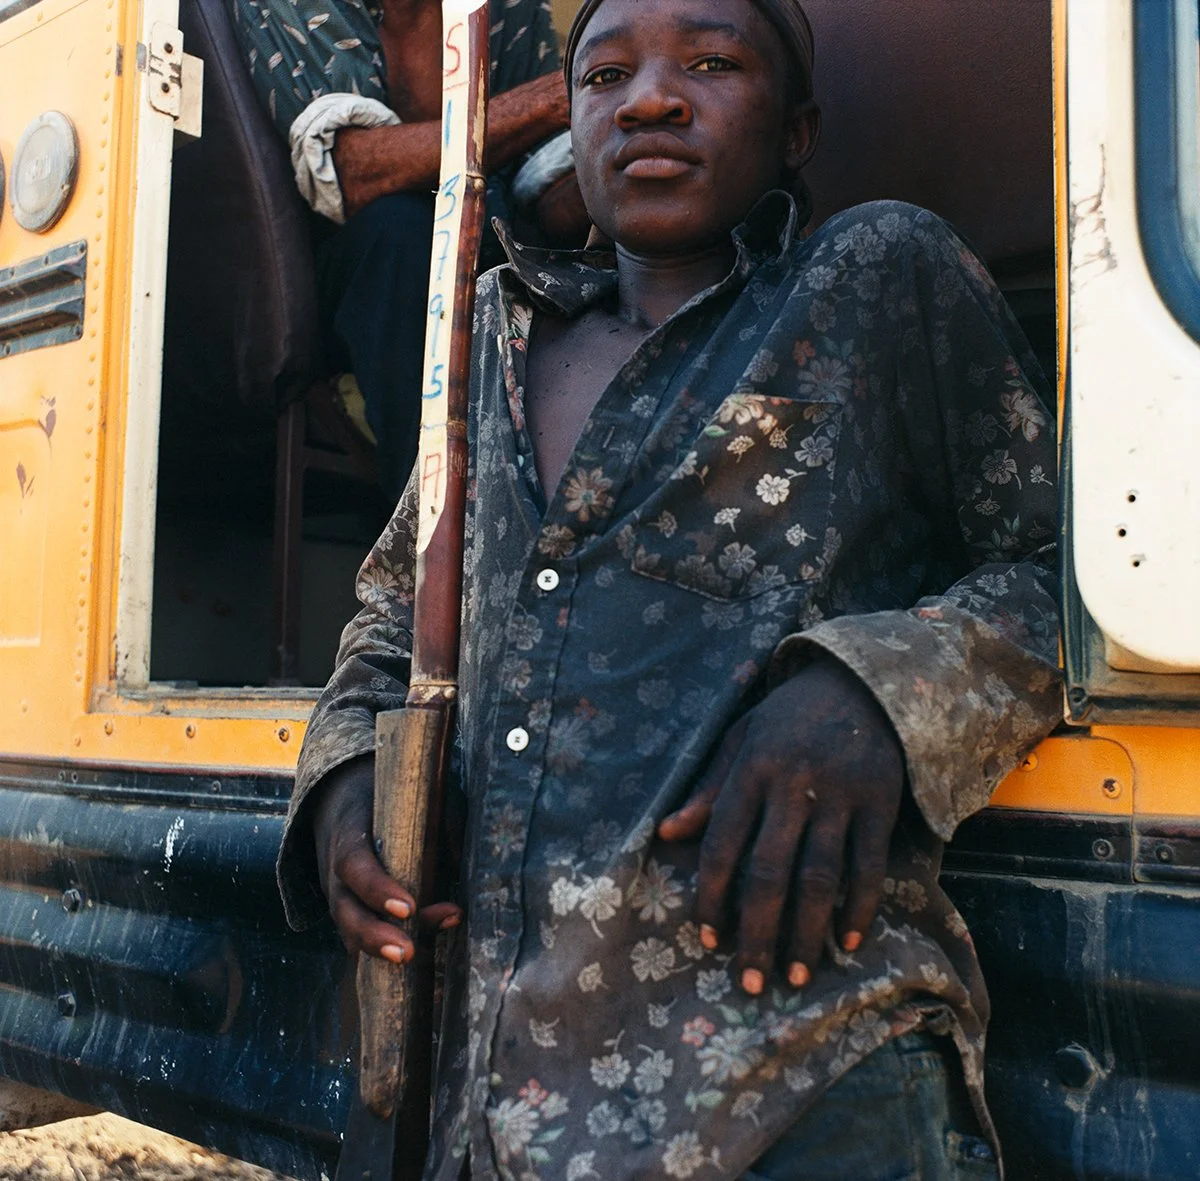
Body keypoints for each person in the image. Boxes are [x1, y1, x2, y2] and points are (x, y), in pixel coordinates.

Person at [280, 0, 1063, 1176]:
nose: (648, 97)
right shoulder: (488, 333)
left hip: (794, 1083)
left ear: (796, 130)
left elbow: (1083, 569)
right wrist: (348, 779)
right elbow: (394, 614)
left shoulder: (872, 279)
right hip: (487, 1103)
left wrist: (876, 693)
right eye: (604, 76)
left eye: (709, 62)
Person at [230, 0, 586, 497]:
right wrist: (556, 96)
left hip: (491, 236)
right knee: (404, 232)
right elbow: (353, 174)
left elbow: (546, 187)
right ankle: (431, 538)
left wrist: (619, 130)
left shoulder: (513, 9)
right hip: (352, 274)